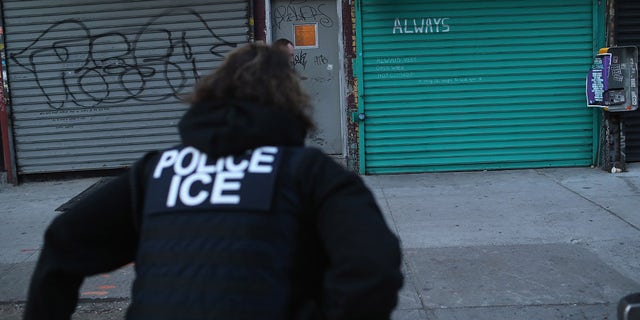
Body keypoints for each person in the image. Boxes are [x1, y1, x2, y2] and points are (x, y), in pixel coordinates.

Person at [23, 43, 403, 320]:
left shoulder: (157, 170)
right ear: (291, 102)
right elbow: (374, 268)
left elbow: (63, 243)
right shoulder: (307, 170)